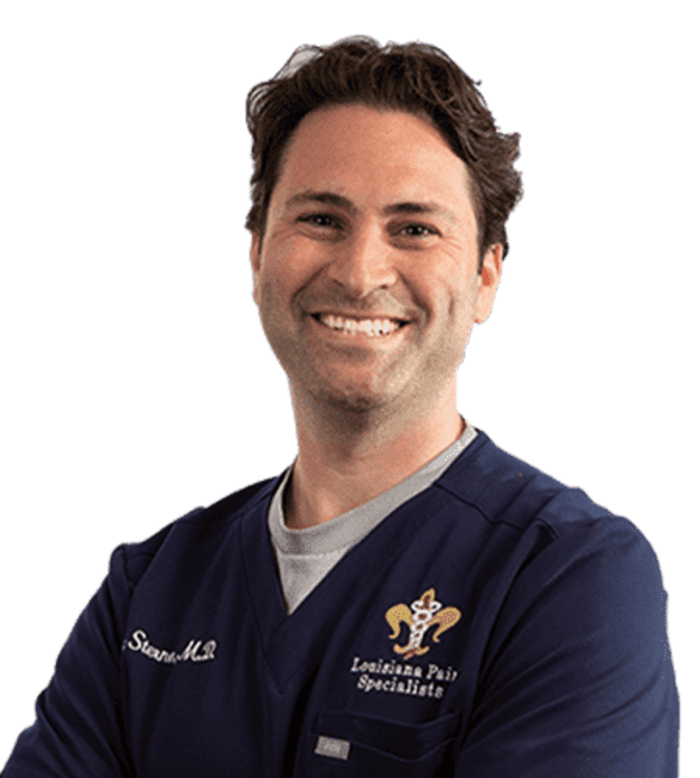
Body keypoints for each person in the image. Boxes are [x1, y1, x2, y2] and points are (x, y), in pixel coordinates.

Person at [4, 35, 679, 777]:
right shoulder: (150, 590)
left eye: (414, 229)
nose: (360, 274)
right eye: (322, 219)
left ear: (488, 274)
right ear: (257, 252)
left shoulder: (571, 575)